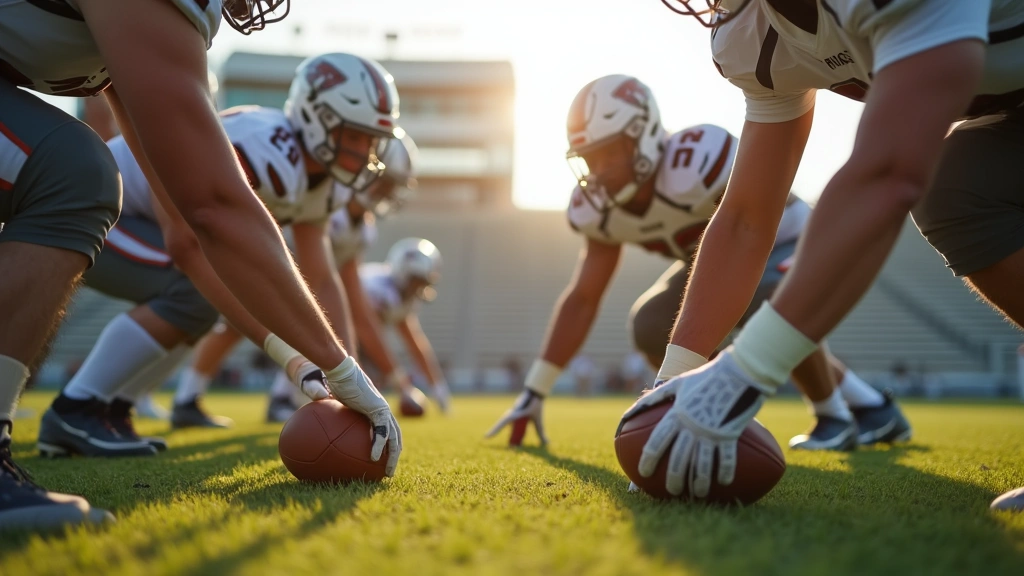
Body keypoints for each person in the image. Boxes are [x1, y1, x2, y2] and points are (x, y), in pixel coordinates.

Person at [0, 1, 399, 530]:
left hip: (136, 218)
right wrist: (322, 364)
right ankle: (82, 407)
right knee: (84, 177)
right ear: (320, 120)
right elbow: (206, 221)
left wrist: (341, 366)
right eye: (355, 139)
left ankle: (102, 407)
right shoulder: (270, 150)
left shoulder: (316, 186)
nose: (363, 155)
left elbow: (314, 277)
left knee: (203, 278)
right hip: (123, 219)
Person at [623, 1, 1024, 509]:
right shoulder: (749, 34)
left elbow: (889, 172)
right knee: (958, 188)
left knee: (950, 183)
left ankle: (843, 409)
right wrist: (673, 384)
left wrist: (744, 374)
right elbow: (747, 216)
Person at [487, 75, 906, 450]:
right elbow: (582, 299)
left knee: (765, 294)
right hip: (715, 257)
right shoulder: (598, 210)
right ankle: (869, 407)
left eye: (611, 153)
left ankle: (832, 415)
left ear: (645, 134)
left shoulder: (697, 159)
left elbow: (749, 224)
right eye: (590, 159)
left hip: (788, 236)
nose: (601, 171)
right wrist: (534, 391)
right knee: (652, 324)